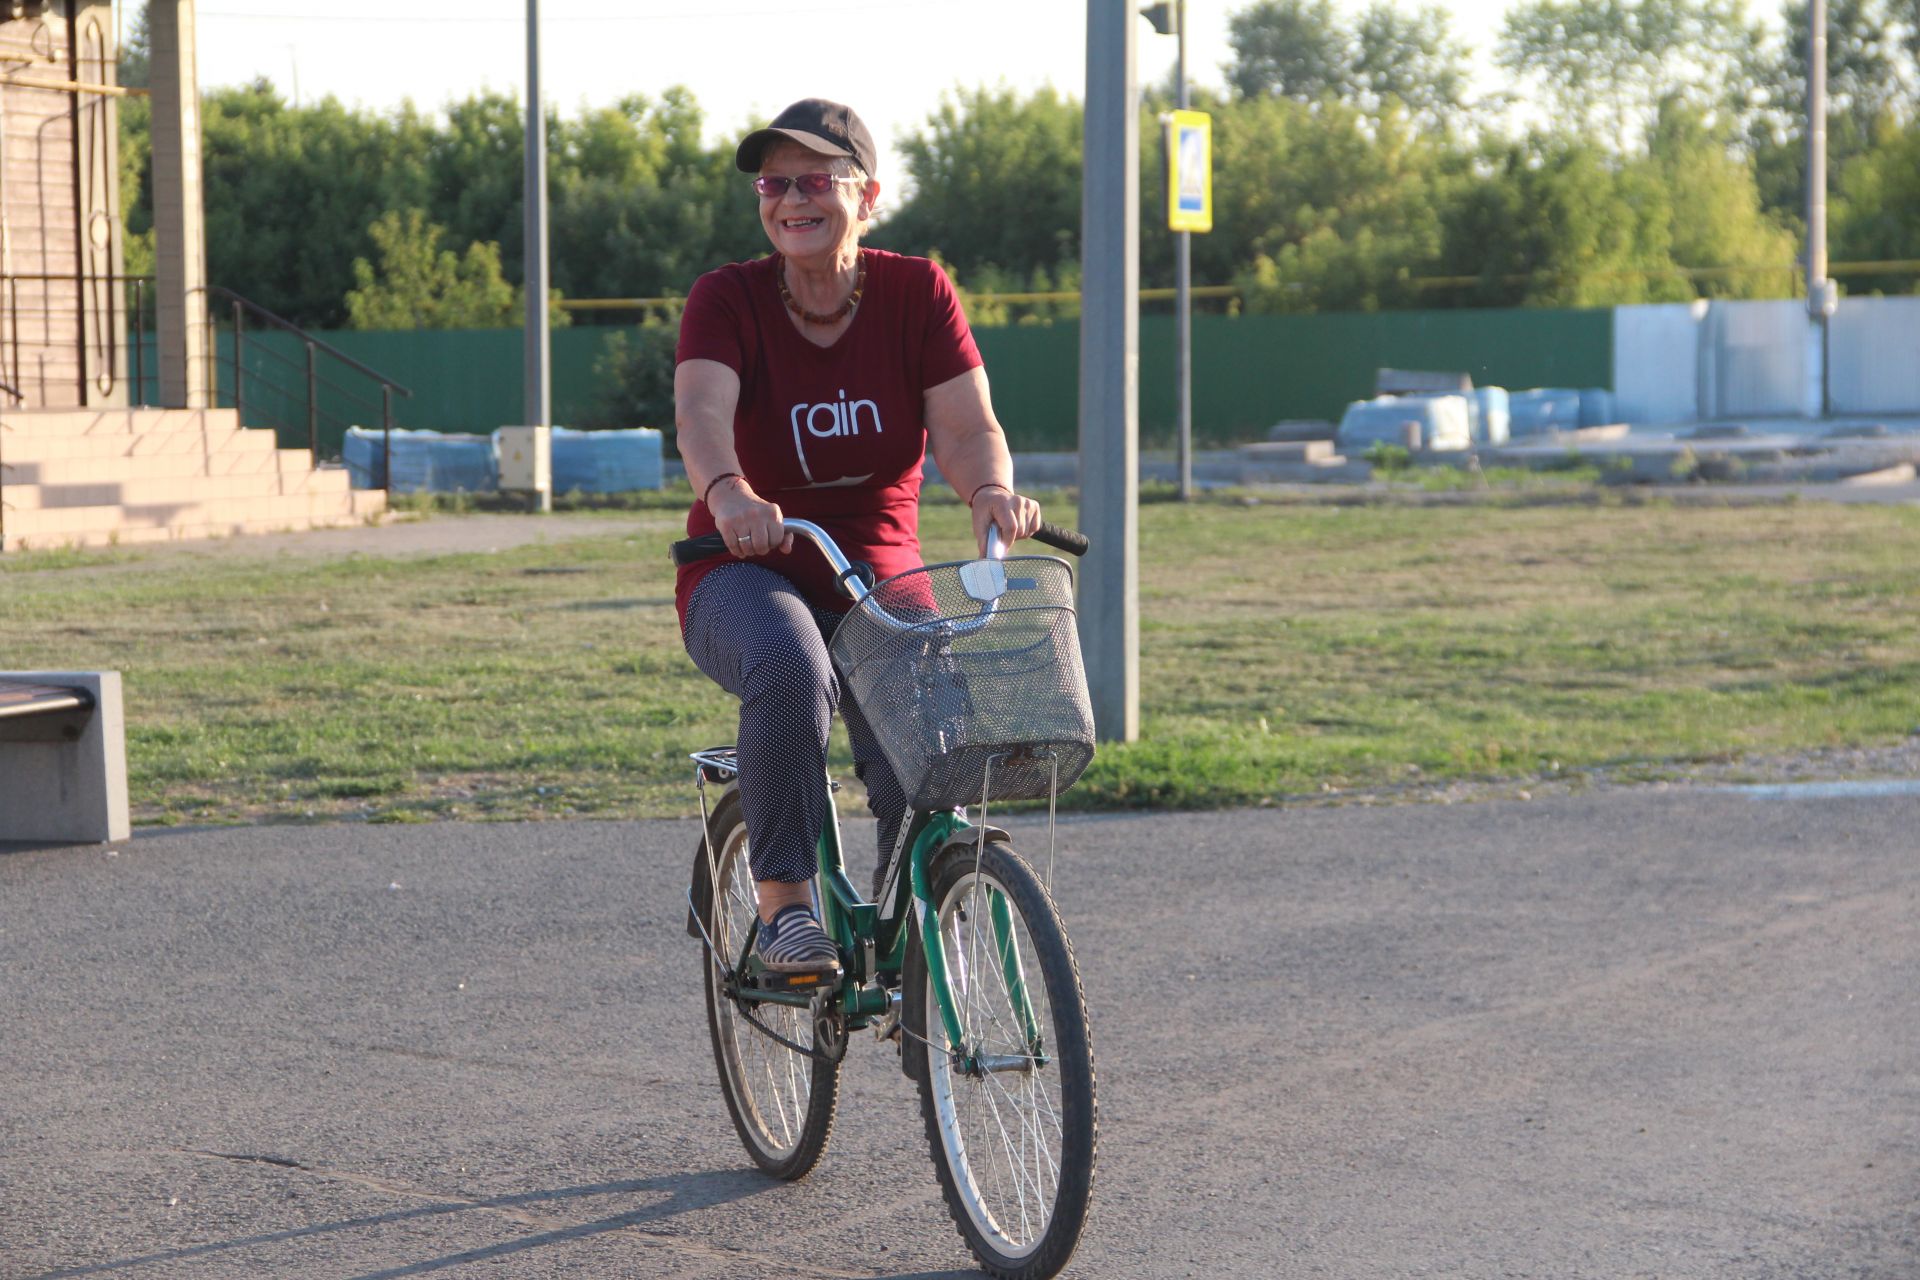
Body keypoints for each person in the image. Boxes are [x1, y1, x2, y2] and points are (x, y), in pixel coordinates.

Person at [674, 98, 1041, 975]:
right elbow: (700, 412)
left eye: (814, 179)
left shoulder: (917, 292)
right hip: (743, 565)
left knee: (928, 730)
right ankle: (786, 909)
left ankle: (923, 909)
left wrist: (990, 488)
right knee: (791, 665)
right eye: (774, 181)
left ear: (866, 194)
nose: (790, 198)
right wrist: (728, 492)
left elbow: (963, 425)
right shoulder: (727, 298)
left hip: (875, 570)